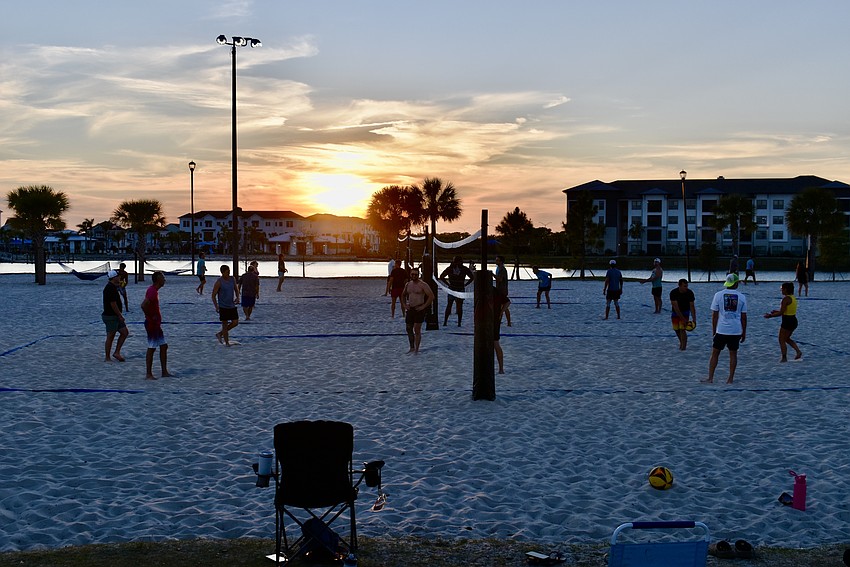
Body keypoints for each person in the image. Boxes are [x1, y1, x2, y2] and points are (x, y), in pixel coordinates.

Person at [704, 273, 748, 384]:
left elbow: (714, 315)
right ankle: (730, 378)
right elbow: (744, 317)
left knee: (715, 353)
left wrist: (714, 330)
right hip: (735, 330)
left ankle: (710, 377)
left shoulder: (718, 295)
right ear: (736, 283)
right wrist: (744, 332)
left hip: (722, 330)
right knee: (733, 354)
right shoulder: (742, 297)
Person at [140, 271, 171, 380]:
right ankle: (148, 374)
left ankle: (164, 371)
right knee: (152, 348)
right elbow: (143, 305)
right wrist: (151, 316)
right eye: (163, 278)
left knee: (163, 346)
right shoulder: (152, 291)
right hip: (151, 324)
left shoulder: (155, 291)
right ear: (158, 279)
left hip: (156, 324)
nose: (165, 280)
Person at [764, 282, 803, 362]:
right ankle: (798, 351)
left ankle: (784, 357)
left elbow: (781, 313)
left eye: (782, 289)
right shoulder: (793, 298)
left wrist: (770, 316)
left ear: (786, 289)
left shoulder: (785, 299)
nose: (781, 290)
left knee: (781, 339)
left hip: (787, 321)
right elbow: (785, 311)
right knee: (787, 338)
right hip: (793, 320)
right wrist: (776, 311)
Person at [401, 267, 434, 353]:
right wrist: (404, 305)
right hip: (410, 309)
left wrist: (424, 306)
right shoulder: (408, 284)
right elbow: (403, 295)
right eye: (412, 274)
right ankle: (412, 347)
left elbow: (431, 296)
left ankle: (416, 349)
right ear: (410, 275)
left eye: (416, 274)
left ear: (418, 275)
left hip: (419, 309)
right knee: (408, 328)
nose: (414, 276)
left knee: (417, 329)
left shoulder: (423, 285)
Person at [439, 255, 474, 327]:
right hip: (458, 288)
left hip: (453, 288)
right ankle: (458, 323)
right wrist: (465, 284)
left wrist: (448, 284)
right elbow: (472, 277)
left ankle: (446, 322)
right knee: (457, 306)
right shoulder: (463, 268)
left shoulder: (451, 268)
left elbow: (442, 276)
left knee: (450, 305)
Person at [102, 269, 128, 362]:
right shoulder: (110, 288)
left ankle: (116, 352)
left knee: (125, 332)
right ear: (114, 278)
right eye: (118, 276)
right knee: (111, 336)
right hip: (111, 316)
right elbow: (113, 304)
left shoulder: (113, 286)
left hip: (115, 316)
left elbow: (120, 286)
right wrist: (120, 315)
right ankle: (107, 357)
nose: (120, 277)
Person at [212, 264, 240, 346]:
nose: (228, 273)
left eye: (229, 271)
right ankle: (227, 342)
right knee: (224, 324)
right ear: (222, 272)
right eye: (227, 272)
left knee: (235, 322)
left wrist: (237, 297)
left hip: (231, 305)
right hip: (223, 306)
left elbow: (236, 289)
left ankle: (220, 334)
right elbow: (213, 295)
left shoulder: (232, 279)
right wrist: (216, 306)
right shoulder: (219, 282)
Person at [670, 278, 696, 351]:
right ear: (679, 285)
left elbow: (692, 306)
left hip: (685, 311)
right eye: (684, 286)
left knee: (682, 329)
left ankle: (683, 347)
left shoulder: (690, 293)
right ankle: (681, 342)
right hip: (675, 312)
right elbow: (675, 307)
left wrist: (694, 319)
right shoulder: (673, 292)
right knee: (676, 329)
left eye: (687, 286)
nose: (686, 288)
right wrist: (682, 319)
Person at [493, 255, 511, 326]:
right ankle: (502, 320)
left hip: (502, 290)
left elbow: (500, 279)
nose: (496, 261)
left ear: (501, 261)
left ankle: (507, 321)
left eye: (497, 260)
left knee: (504, 306)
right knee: (502, 306)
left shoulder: (502, 269)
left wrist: (492, 275)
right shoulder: (498, 268)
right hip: (499, 289)